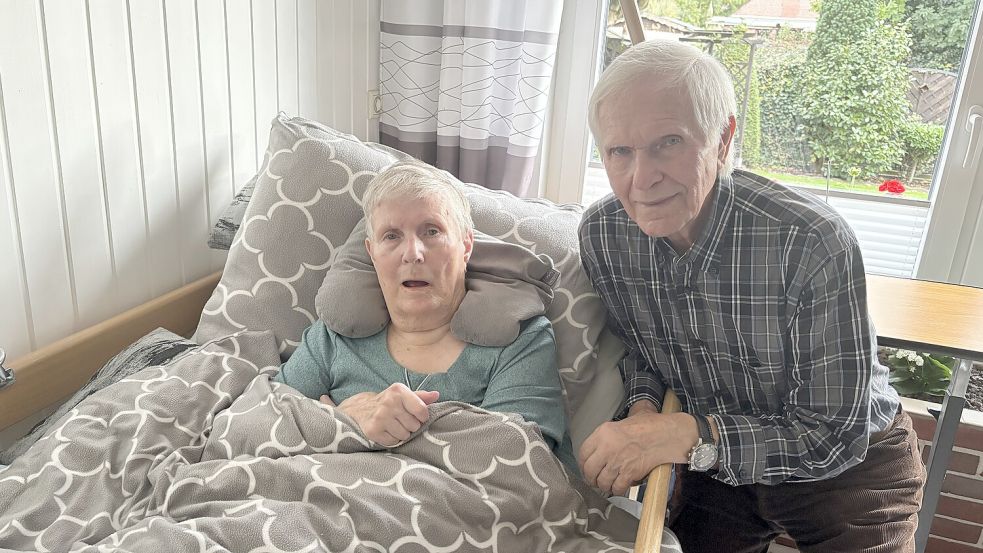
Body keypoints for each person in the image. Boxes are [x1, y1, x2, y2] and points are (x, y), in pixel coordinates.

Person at [577, 38, 924, 553]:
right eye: (619, 151)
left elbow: (833, 434)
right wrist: (646, 414)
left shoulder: (812, 242)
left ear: (723, 139)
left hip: (849, 466)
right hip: (717, 473)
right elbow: (642, 353)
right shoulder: (603, 236)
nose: (642, 179)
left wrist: (686, 435)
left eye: (668, 143)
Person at [275, 161, 577, 471]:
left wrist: (341, 425)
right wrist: (347, 420)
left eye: (431, 231)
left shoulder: (521, 340)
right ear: (372, 253)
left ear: (466, 246)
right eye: (391, 236)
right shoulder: (333, 337)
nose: (413, 253)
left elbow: (518, 465)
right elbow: (261, 421)